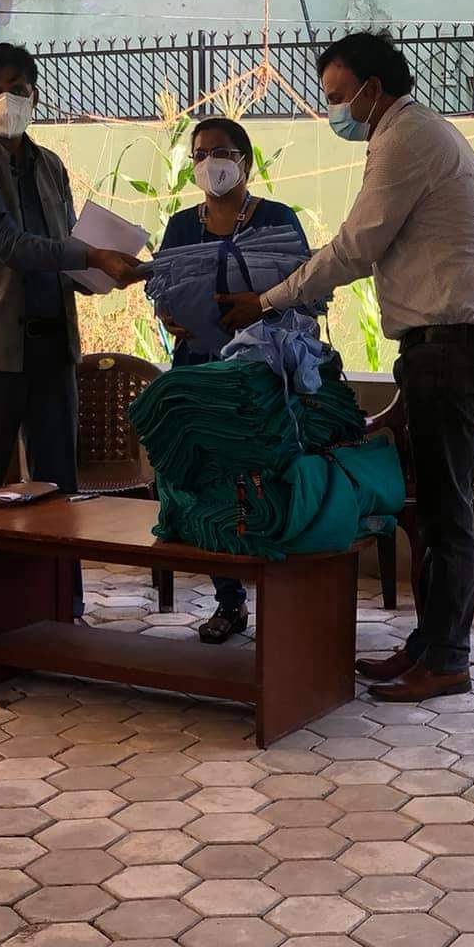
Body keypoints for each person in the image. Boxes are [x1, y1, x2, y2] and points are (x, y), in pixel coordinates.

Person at [220, 32, 474, 704]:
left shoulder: (408, 138)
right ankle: (427, 646)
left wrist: (266, 300)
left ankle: (448, 659)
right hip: (443, 345)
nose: (334, 110)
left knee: (446, 513)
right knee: (435, 510)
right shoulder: (408, 134)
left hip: (453, 347)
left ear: (373, 90)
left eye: (337, 96)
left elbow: (355, 247)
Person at [0, 40, 141, 498]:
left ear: (34, 96)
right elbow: (5, 242)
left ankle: (56, 553)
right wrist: (91, 257)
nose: (6, 100)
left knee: (59, 486)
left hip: (53, 347)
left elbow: (64, 245)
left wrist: (104, 272)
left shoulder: (50, 166)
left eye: (17, 89)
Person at [157, 116, 312, 644]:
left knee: (266, 481)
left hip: (261, 375)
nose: (210, 163)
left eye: (221, 152)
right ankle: (229, 600)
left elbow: (304, 292)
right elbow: (163, 288)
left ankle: (285, 601)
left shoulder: (277, 219)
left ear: (245, 160)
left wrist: (260, 305)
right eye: (200, 154)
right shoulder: (182, 225)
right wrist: (169, 315)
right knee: (206, 484)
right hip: (198, 370)